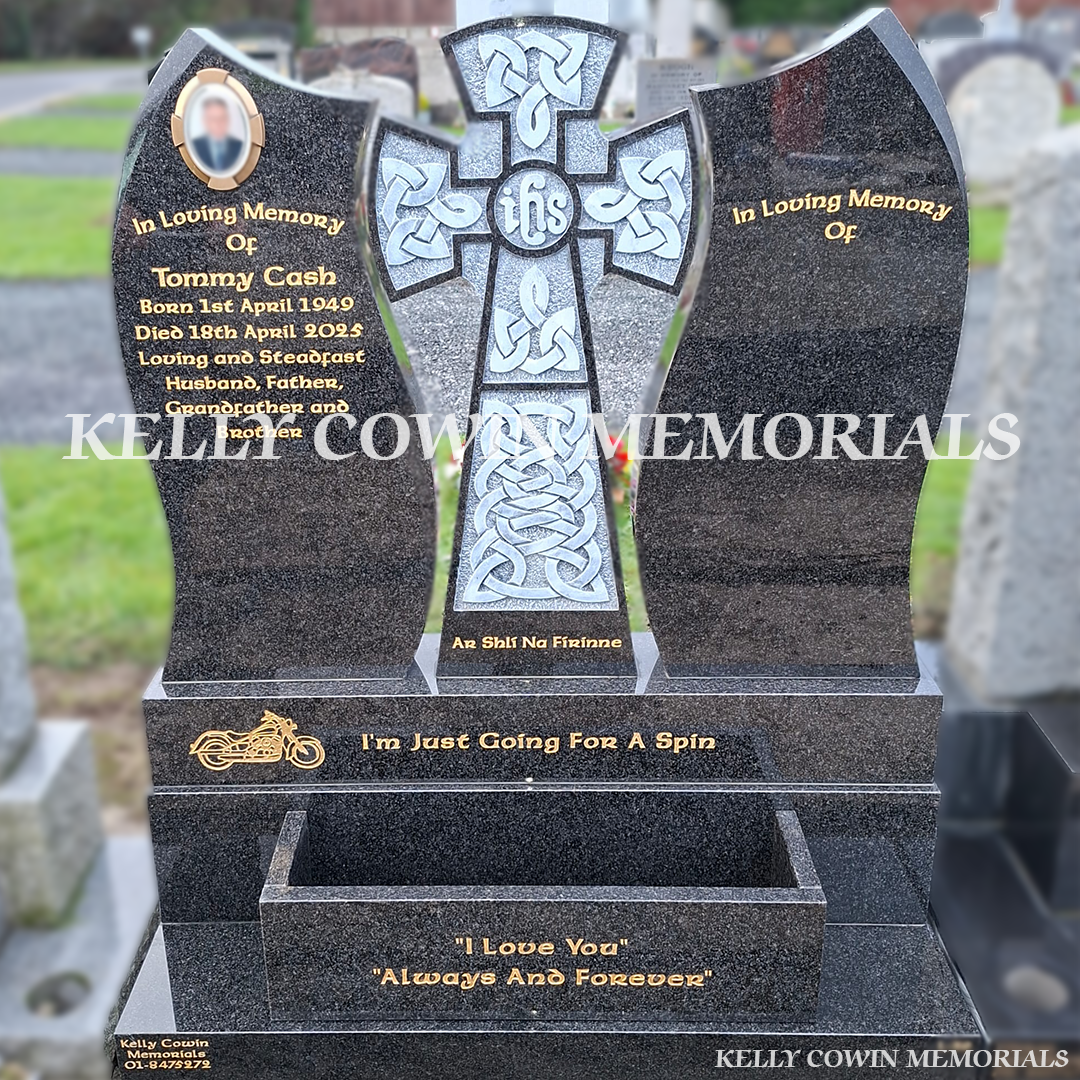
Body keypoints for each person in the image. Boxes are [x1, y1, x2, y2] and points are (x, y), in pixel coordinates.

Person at [192, 96, 243, 173]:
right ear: (205, 121)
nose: (218, 123)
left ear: (228, 120)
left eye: (222, 118)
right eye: (213, 119)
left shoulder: (240, 147)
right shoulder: (194, 147)